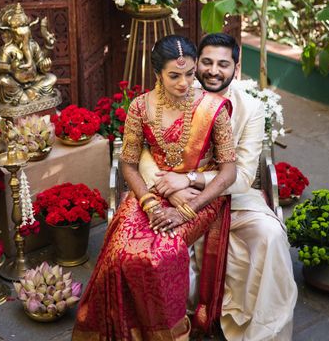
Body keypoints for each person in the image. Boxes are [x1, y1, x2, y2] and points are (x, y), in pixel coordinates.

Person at [72, 35, 237, 340]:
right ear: (157, 73)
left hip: (200, 197)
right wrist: (149, 203)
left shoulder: (214, 108)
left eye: (190, 74)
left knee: (162, 254)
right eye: (175, 75)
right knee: (121, 253)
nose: (185, 83)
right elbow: (129, 164)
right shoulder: (140, 107)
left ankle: (170, 335)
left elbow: (228, 173)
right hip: (152, 192)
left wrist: (186, 210)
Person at [145, 33, 297, 340]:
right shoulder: (177, 89)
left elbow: (242, 176)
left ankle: (261, 333)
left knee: (270, 235)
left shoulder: (250, 108)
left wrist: (191, 179)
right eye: (207, 62)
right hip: (176, 197)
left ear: (236, 69)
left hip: (235, 198)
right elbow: (147, 151)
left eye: (223, 64)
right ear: (196, 63)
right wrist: (171, 189)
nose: (214, 70)